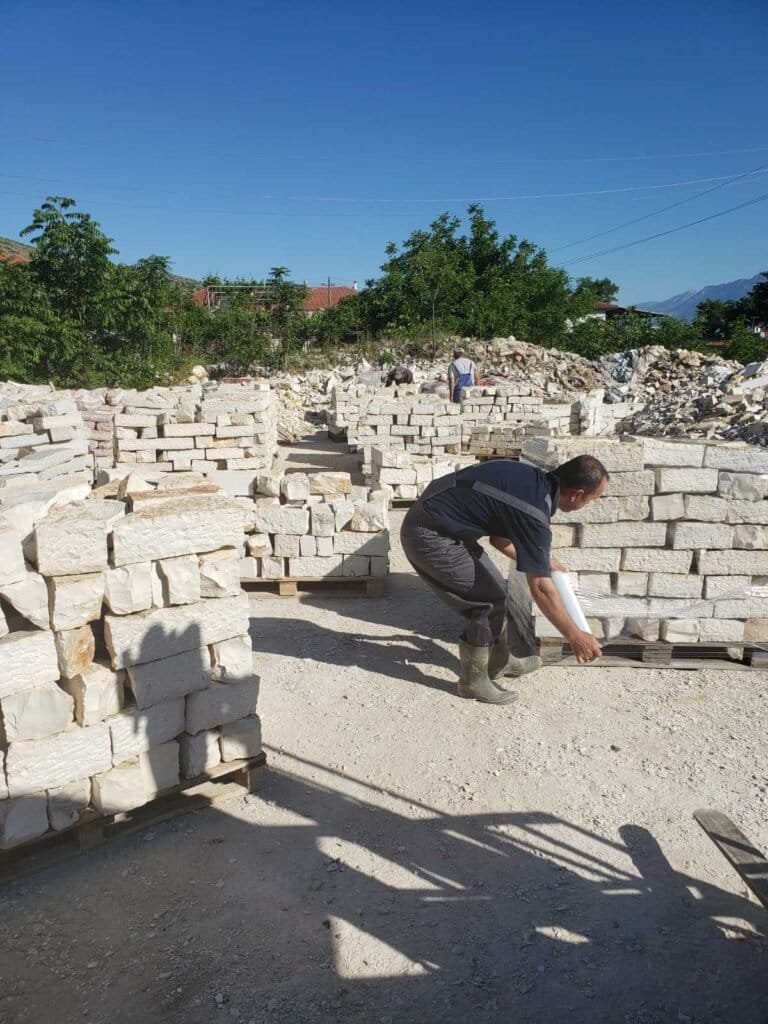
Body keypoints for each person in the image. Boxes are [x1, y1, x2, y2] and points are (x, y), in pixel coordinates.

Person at [400, 454, 607, 705]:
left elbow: (500, 540)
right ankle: (472, 682)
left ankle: (498, 662)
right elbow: (541, 588)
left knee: (498, 591)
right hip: (430, 535)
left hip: (446, 525)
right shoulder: (534, 511)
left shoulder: (531, 480)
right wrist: (575, 635)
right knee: (485, 602)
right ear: (576, 494)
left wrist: (541, 560)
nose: (588, 505)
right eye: (591, 499)